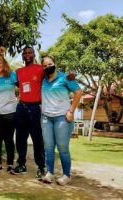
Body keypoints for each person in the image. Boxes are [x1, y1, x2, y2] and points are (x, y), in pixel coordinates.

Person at [40, 56, 82, 185]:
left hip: (62, 118)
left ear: (55, 64)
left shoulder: (65, 78)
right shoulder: (43, 80)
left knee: (63, 148)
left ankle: (66, 175)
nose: (48, 67)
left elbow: (78, 92)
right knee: (48, 147)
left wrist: (71, 111)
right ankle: (49, 173)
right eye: (45, 65)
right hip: (46, 117)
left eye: (50, 64)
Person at [11, 46, 46, 179]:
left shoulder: (40, 69)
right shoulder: (18, 71)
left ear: (33, 54)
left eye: (30, 52)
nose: (27, 55)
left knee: (37, 139)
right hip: (21, 107)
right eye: (25, 53)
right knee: (20, 138)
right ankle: (21, 165)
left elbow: (53, 76)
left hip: (35, 108)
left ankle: (41, 166)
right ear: (22, 56)